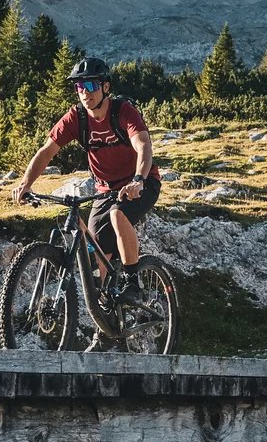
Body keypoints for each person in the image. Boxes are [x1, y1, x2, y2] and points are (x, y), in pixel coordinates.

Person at [10, 57, 161, 302]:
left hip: (142, 182)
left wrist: (138, 180)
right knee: (99, 251)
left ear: (105, 87)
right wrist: (26, 184)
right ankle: (108, 315)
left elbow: (143, 145)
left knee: (117, 214)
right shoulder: (77, 118)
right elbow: (47, 151)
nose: (84, 92)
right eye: (79, 87)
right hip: (105, 189)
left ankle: (133, 283)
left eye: (90, 86)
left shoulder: (123, 111)